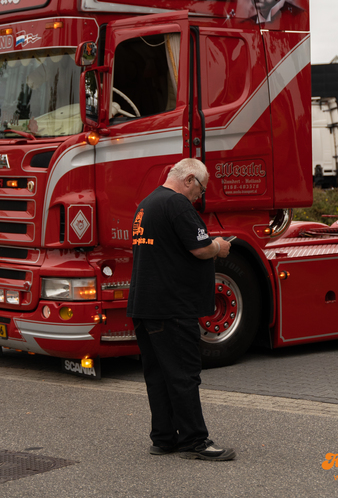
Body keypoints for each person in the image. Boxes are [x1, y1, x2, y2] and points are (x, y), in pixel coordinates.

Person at [127, 158, 236, 461]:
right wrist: (219, 246)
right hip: (172, 308)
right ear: (188, 179)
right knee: (184, 375)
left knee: (158, 374)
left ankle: (163, 438)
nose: (200, 197)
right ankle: (194, 441)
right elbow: (200, 248)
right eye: (200, 189)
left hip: (144, 305)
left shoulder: (146, 205)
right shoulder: (177, 204)